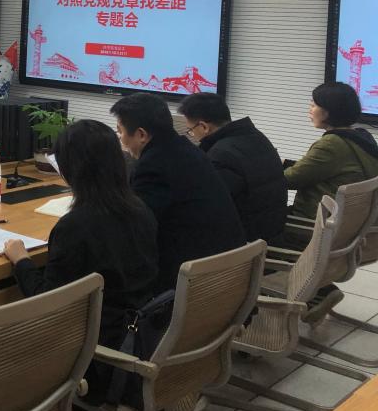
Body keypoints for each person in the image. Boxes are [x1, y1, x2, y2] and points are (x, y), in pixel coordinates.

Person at [3, 119, 158, 411]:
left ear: (69, 170)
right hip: (140, 336)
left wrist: (21, 260)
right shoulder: (140, 209)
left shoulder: (75, 227)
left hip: (100, 357)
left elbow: (48, 302)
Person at [111, 92, 244, 293]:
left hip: (193, 281)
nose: (120, 139)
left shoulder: (153, 166)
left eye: (120, 132)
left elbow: (137, 230)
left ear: (141, 134)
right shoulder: (187, 149)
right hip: (224, 271)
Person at [177, 92, 288, 243]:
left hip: (248, 244)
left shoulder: (220, 155)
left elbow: (210, 208)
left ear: (203, 127)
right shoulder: (256, 137)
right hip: (272, 230)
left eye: (190, 130)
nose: (192, 135)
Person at [284, 81, 378, 223]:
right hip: (348, 225)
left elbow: (290, 180)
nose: (310, 109)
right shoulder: (361, 136)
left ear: (328, 112)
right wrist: (286, 163)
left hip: (313, 225)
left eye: (313, 105)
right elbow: (321, 168)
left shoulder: (332, 144)